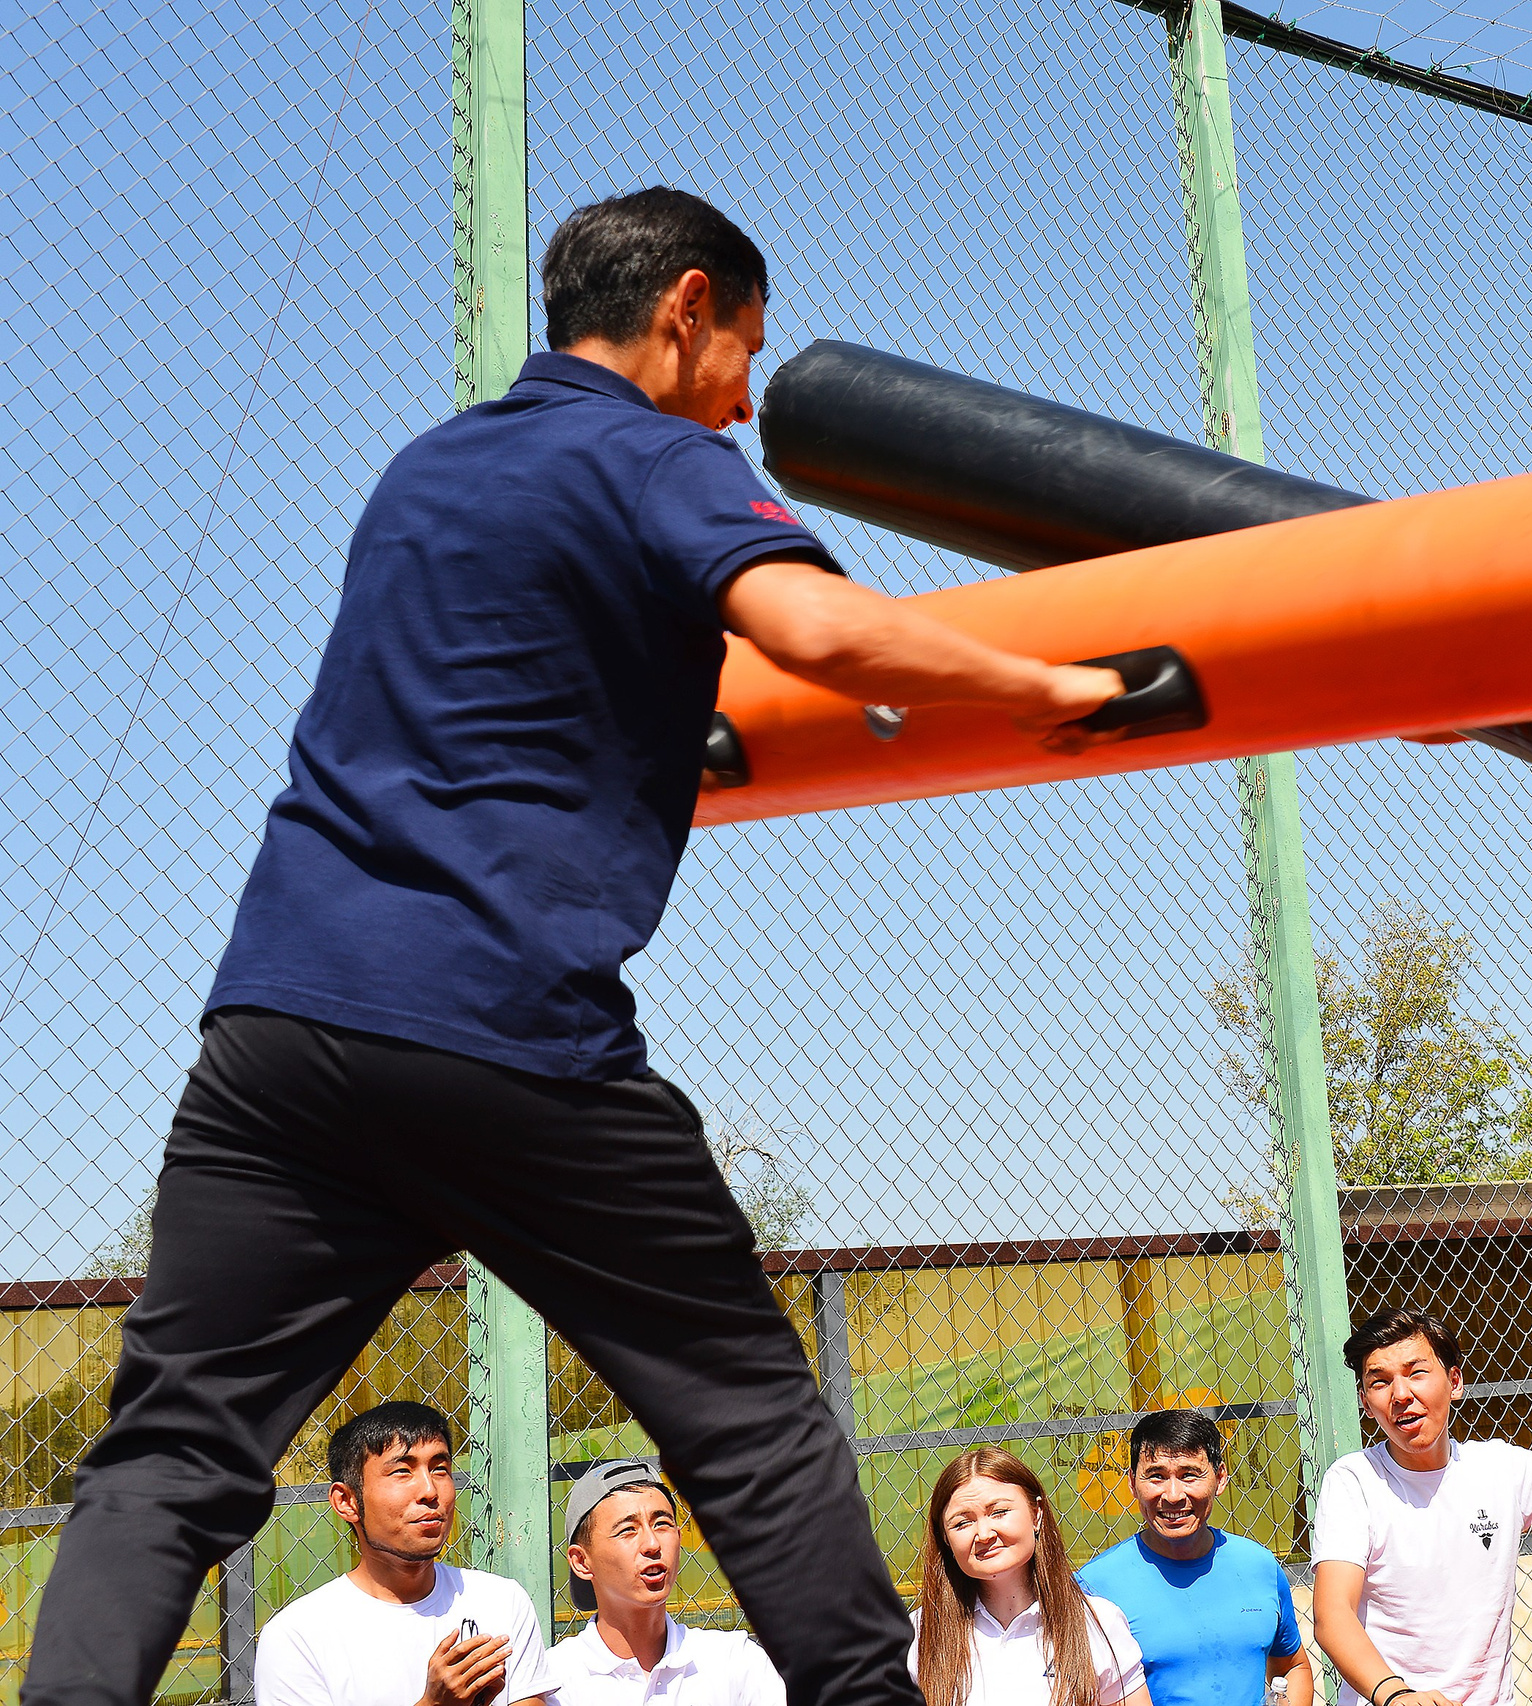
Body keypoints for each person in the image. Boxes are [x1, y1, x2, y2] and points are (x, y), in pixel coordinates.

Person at [23, 186, 1125, 1706]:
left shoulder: (428, 468)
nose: (746, 393)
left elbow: (514, 689)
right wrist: (1036, 680)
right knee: (745, 1412)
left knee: (170, 1451)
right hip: (501, 1025)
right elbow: (817, 627)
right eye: (743, 347)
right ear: (683, 309)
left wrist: (680, 737)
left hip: (278, 1028)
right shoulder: (656, 453)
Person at [1310, 1310, 1532, 1706]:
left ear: (1454, 1382)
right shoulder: (1353, 1480)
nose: (1400, 1395)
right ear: (1367, 1403)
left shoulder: (1503, 1468)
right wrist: (1395, 1694)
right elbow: (1332, 1615)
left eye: (1416, 1372)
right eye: (1380, 1382)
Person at [253, 1402, 556, 1706]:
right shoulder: (298, 1637)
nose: (429, 1491)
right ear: (346, 1501)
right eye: (402, 1471)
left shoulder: (500, 1601)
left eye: (440, 1469)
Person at [1079, 1410, 1312, 1706]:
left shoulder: (1259, 1566)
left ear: (1220, 1478)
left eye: (1189, 1474)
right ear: (1131, 1483)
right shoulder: (1095, 1587)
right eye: (1156, 1476)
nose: (1173, 1495)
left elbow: (1292, 1665)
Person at [909, 1448, 1149, 1706]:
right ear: (945, 1538)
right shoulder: (917, 1636)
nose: (984, 1533)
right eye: (962, 1523)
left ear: (1036, 1514)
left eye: (999, 1512)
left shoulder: (1099, 1622)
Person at [550, 1458, 785, 1706]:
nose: (652, 1545)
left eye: (662, 1524)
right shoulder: (554, 1682)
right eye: (628, 1530)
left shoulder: (734, 1663)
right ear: (581, 1562)